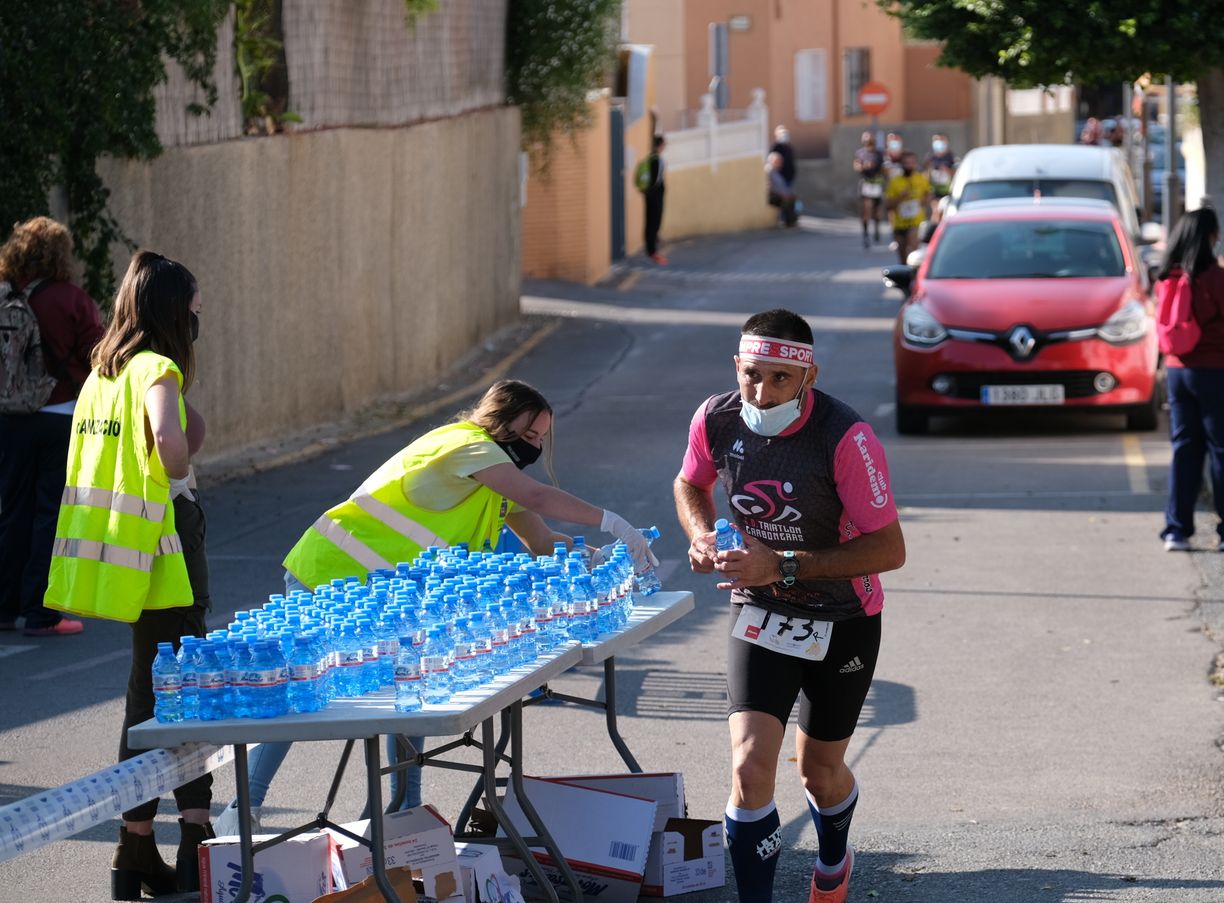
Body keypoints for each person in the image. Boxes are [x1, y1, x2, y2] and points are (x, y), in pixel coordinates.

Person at [213, 379, 660, 832]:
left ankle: (403, 809)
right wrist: (613, 522)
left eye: (542, 439)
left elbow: (542, 541)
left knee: (412, 685)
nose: (535, 448)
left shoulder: (494, 476)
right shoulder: (465, 445)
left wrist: (595, 557)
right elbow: (538, 495)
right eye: (528, 436)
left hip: (383, 599)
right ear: (498, 422)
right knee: (300, 691)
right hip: (329, 576)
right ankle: (247, 807)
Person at [674, 309, 906, 903]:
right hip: (760, 610)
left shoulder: (845, 437)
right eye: (753, 374)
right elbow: (690, 482)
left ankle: (833, 858)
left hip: (844, 619)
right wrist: (702, 534)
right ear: (737, 367)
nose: (762, 391)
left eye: (780, 378)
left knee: (818, 776)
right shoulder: (716, 417)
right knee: (750, 769)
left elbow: (889, 548)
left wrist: (783, 564)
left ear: (808, 376)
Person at [43, 250, 214, 898]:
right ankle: (192, 837)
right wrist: (181, 451)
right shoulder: (158, 369)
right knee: (181, 689)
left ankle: (137, 846)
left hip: (128, 552)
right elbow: (171, 446)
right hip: (169, 542)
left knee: (148, 689)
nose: (198, 325)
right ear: (173, 314)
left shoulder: (101, 375)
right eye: (194, 313)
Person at [0, 217, 103, 636]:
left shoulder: (5, 295)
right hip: (59, 415)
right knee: (50, 514)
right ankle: (40, 612)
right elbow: (97, 353)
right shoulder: (70, 300)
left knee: (10, 510)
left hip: (9, 417)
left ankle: (4, 609)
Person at [1157, 208, 1224, 553]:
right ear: (1209, 237)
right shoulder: (1216, 278)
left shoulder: (1167, 278)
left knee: (1185, 450)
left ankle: (1177, 530)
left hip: (1177, 372)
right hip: (1217, 371)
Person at [885, 151, 931, 265]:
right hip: (900, 224)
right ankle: (905, 278)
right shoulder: (895, 182)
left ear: (915, 164)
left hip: (916, 222)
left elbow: (928, 194)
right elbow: (888, 204)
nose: (909, 165)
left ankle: (914, 277)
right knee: (902, 258)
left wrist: (924, 200)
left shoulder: (921, 179)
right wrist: (901, 197)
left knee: (914, 251)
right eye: (906, 163)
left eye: (911, 163)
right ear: (901, 164)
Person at [852, 131, 886, 248]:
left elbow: (882, 168)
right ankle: (866, 234)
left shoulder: (879, 154)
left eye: (869, 137)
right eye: (865, 137)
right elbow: (856, 166)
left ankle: (876, 228)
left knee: (877, 211)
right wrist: (864, 166)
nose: (868, 139)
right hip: (865, 184)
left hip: (876, 184)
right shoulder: (860, 153)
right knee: (866, 209)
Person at [638, 134, 668, 265]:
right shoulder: (657, 160)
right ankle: (652, 251)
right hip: (655, 195)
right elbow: (656, 180)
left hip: (649, 194)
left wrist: (646, 191)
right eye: (663, 145)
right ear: (660, 146)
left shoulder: (650, 157)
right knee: (654, 220)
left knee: (650, 220)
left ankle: (650, 246)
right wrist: (654, 191)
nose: (664, 147)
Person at [924, 134, 957, 224]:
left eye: (942, 140)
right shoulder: (930, 158)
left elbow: (957, 173)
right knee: (936, 211)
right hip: (935, 191)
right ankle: (934, 231)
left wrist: (947, 171)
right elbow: (926, 174)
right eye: (936, 140)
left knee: (945, 213)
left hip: (948, 191)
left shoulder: (952, 157)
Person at [766, 152, 799, 228]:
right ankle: (788, 221)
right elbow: (769, 186)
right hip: (773, 195)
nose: (780, 163)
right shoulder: (769, 171)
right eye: (778, 161)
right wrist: (782, 194)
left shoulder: (776, 172)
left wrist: (788, 193)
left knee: (792, 199)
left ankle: (792, 220)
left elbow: (782, 186)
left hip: (780, 194)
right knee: (787, 201)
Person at [769, 125, 797, 193]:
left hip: (789, 176)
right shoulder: (775, 147)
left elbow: (791, 161)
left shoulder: (789, 148)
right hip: (780, 176)